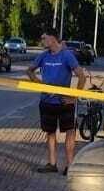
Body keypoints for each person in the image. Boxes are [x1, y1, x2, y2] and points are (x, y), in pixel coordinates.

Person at [26, 32, 88, 174]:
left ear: (52, 39)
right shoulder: (43, 55)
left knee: (70, 132)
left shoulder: (66, 55)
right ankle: (52, 164)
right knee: (50, 133)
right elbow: (29, 71)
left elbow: (81, 76)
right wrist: (40, 84)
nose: (41, 41)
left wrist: (74, 98)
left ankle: (70, 165)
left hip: (64, 103)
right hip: (47, 102)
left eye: (44, 38)